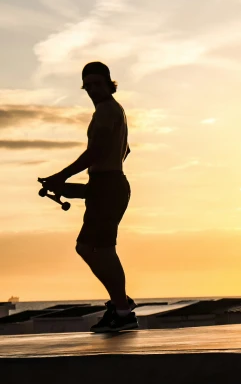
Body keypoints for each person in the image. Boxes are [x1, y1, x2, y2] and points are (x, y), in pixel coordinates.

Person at [39, 62, 136, 333]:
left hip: (109, 185)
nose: (92, 89)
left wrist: (62, 176)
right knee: (88, 248)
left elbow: (97, 151)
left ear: (109, 83)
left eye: (97, 83)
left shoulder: (107, 110)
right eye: (88, 85)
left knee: (99, 249)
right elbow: (124, 149)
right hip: (107, 184)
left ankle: (123, 309)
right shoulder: (113, 111)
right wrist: (83, 182)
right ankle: (121, 304)